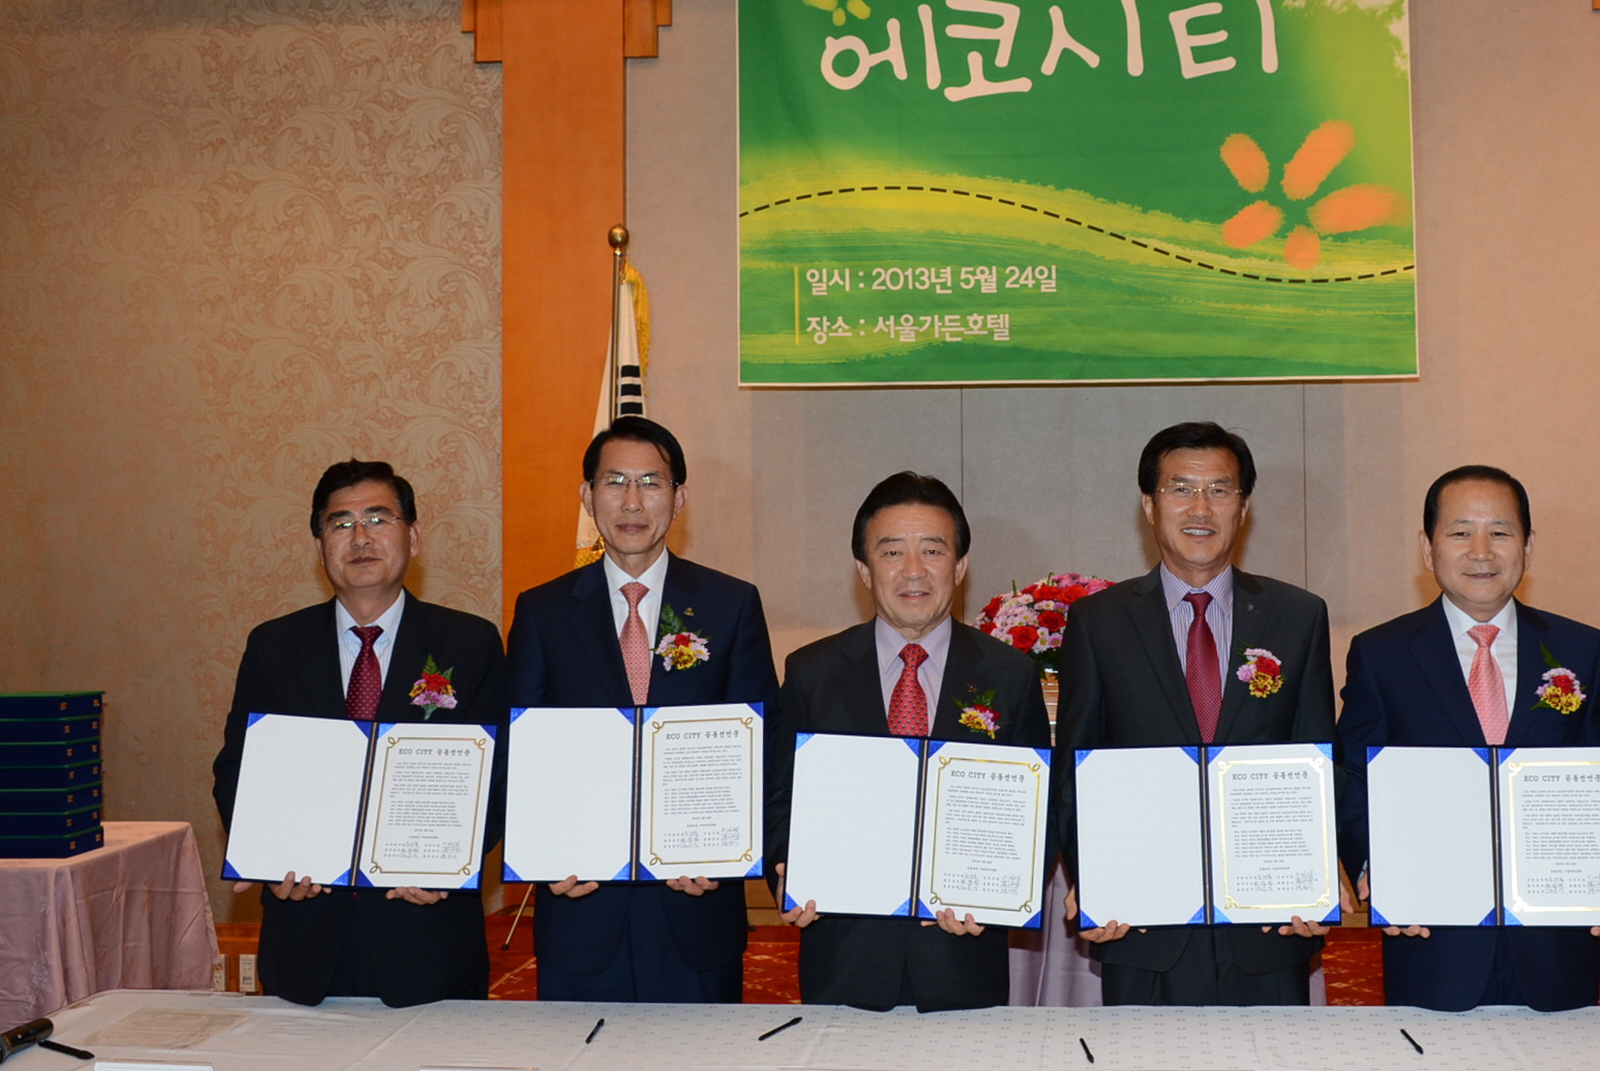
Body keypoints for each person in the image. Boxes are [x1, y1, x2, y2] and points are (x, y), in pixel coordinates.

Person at [1054, 421, 1334, 1005]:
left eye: (1219, 490)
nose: (1200, 507)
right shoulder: (1099, 623)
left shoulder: (1297, 616)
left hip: (1268, 927)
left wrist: (1319, 876)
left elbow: (1318, 758)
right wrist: (1095, 878)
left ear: (1243, 507)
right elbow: (1075, 767)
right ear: (1149, 506)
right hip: (1141, 926)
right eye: (1180, 489)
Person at [211, 459, 507, 1007]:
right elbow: (237, 769)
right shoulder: (274, 647)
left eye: (378, 518)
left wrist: (449, 867)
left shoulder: (469, 644)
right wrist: (267, 856)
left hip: (427, 939)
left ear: (413, 537)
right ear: (320, 544)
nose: (361, 537)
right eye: (341, 523)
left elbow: (500, 776)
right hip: (305, 936)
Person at [1334, 465, 1600, 1010]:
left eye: (1499, 532)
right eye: (1459, 532)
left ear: (1528, 546)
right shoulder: (1382, 654)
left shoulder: (1582, 648)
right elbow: (1353, 774)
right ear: (1427, 549)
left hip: (1555, 937)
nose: (1481, 551)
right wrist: (1374, 865)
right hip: (1431, 934)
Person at [504, 416, 778, 1002]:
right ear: (587, 496)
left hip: (696, 904)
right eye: (615, 482)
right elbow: (518, 753)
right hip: (580, 905)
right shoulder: (542, 612)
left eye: (651, 482)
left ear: (679, 499)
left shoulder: (731, 605)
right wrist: (541, 854)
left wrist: (727, 854)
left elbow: (764, 750)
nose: (632, 501)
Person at [766, 472, 1052, 1011]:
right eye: (892, 551)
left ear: (960, 567)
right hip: (845, 956)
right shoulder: (813, 672)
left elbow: (1041, 810)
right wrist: (785, 871)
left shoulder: (1010, 675)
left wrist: (1001, 894)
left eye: (933, 551)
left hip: (962, 958)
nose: (913, 570)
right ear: (864, 570)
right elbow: (781, 796)